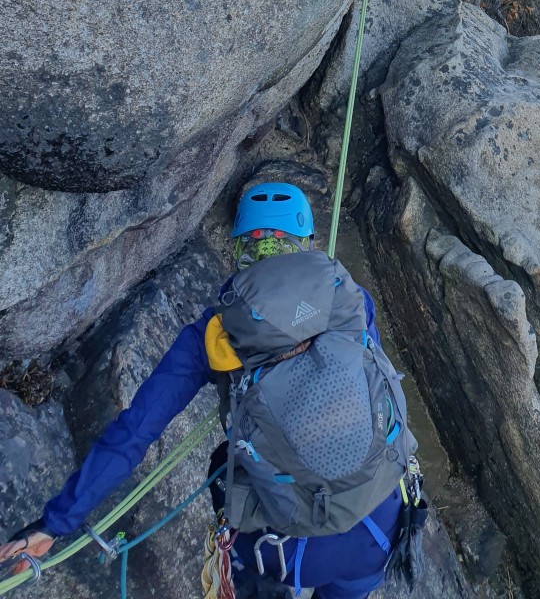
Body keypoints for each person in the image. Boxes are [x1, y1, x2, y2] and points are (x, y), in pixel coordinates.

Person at [0, 183, 423, 599]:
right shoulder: (351, 298)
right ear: (306, 243)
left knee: (225, 465)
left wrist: (54, 524)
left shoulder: (212, 335)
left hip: (281, 550)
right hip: (378, 530)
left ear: (239, 250)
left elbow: (134, 433)